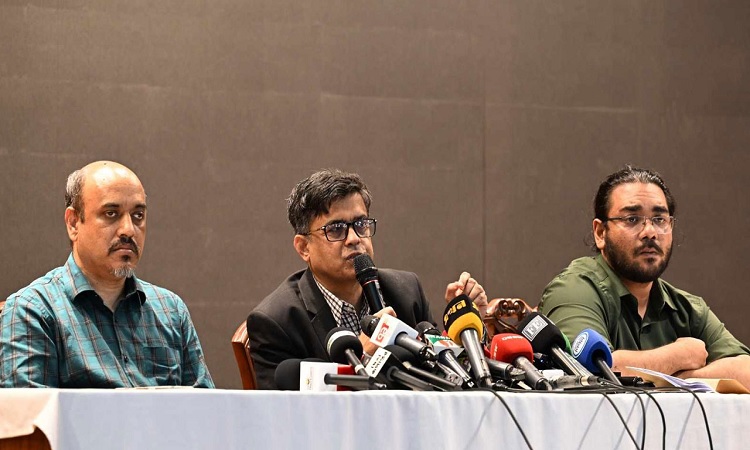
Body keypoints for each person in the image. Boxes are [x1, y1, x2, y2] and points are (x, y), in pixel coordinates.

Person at [247, 169, 487, 389]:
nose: (354, 238)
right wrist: (361, 357)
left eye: (361, 224)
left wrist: (470, 330)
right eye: (336, 229)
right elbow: (280, 412)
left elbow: (444, 380)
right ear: (303, 247)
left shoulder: (406, 291)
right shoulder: (276, 321)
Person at [0, 161, 214, 388]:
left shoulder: (171, 311)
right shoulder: (33, 311)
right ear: (73, 223)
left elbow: (206, 405)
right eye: (111, 214)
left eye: (138, 215)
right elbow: (33, 410)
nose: (128, 230)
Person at [537, 165, 750, 388]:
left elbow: (745, 370)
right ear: (600, 233)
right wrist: (678, 356)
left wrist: (678, 379)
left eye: (659, 219)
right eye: (632, 219)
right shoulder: (574, 288)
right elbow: (589, 371)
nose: (650, 232)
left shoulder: (688, 309)